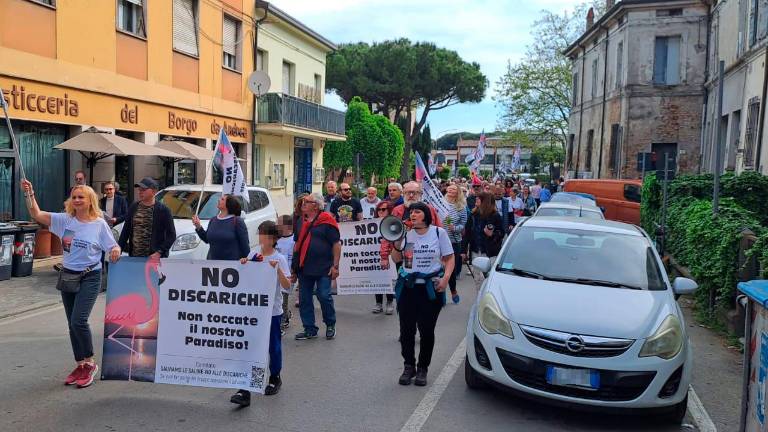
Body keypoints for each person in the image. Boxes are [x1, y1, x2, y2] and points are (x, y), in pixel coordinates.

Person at [21, 179, 121, 389]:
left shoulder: (99, 223)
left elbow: (113, 245)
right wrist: (29, 193)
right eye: (74, 197)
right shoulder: (65, 220)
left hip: (90, 276)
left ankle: (91, 363)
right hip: (68, 275)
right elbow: (36, 214)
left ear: (90, 200)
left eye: (80, 197)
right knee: (71, 324)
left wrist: (115, 250)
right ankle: (80, 364)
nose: (76, 200)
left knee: (78, 321)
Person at [390, 202, 455, 387]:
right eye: (411, 212)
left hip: (430, 289)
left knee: (426, 330)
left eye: (417, 212)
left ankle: (422, 368)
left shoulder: (437, 233)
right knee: (406, 330)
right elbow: (396, 259)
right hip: (409, 288)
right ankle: (408, 365)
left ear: (425, 215)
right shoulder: (406, 234)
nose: (413, 215)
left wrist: (446, 279)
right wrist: (396, 241)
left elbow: (450, 258)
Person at [230, 221, 291, 406]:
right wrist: (243, 264)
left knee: (273, 346)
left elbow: (288, 286)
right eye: (260, 234)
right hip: (253, 310)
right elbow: (246, 278)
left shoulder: (279, 258)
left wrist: (277, 270)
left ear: (273, 238)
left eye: (264, 234)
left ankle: (274, 377)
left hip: (272, 311)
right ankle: (247, 387)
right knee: (252, 347)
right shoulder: (253, 254)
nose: (261, 237)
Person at [291, 193, 340, 340]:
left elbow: (336, 244)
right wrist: (294, 268)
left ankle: (330, 324)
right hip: (304, 267)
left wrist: (335, 266)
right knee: (305, 299)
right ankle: (309, 329)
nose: (303, 203)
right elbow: (296, 245)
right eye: (303, 201)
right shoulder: (300, 220)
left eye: (307, 201)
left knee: (324, 296)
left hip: (324, 266)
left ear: (316, 205)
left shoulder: (327, 220)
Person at [380, 181, 442, 271]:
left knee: (426, 281)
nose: (411, 195)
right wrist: (384, 257)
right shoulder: (397, 210)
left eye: (415, 192)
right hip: (403, 255)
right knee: (406, 280)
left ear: (421, 194)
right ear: (403, 193)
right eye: (408, 192)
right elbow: (387, 235)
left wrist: (442, 256)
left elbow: (439, 231)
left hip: (426, 256)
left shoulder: (430, 209)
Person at [117, 177, 176, 259]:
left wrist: (160, 252)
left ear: (154, 191)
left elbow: (171, 235)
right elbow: (126, 231)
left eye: (143, 190)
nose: (140, 192)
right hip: (135, 257)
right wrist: (119, 249)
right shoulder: (134, 207)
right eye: (139, 189)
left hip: (154, 260)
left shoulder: (163, 210)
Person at [191, 195, 249, 262]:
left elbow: (245, 246)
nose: (218, 200)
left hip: (231, 266)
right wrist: (198, 226)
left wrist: (246, 260)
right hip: (213, 265)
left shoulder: (237, 221)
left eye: (222, 199)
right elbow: (207, 239)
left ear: (229, 204)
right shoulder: (213, 220)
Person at [462, 192, 504, 264]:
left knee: (488, 274)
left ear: (485, 201)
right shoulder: (473, 215)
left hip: (490, 253)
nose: (476, 199)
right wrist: (463, 251)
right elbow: (467, 234)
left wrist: (492, 234)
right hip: (475, 251)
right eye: (477, 197)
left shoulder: (495, 215)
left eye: (479, 198)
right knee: (477, 273)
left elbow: (502, 233)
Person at [443, 184, 468, 304]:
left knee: (450, 269)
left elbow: (463, 224)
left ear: (458, 192)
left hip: (453, 241)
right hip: (439, 241)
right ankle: (441, 294)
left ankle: (453, 290)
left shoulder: (461, 207)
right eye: (450, 188)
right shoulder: (440, 204)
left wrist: (455, 228)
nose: (451, 190)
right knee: (438, 269)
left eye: (454, 189)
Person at [276, 215, 295, 329]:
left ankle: (283, 321)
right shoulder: (275, 239)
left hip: (288, 275)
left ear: (287, 226)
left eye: (279, 223)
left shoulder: (294, 241)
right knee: (279, 297)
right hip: (275, 274)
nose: (276, 225)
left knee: (284, 297)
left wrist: (294, 272)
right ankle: (286, 314)